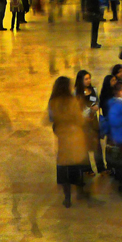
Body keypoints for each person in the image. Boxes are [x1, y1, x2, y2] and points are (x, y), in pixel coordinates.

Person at [47, 76, 89, 208]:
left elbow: (50, 118)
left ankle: (67, 198)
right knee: (77, 165)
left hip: (62, 136)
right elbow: (80, 119)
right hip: (75, 136)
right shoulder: (72, 101)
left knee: (64, 166)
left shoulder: (53, 102)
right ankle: (80, 192)